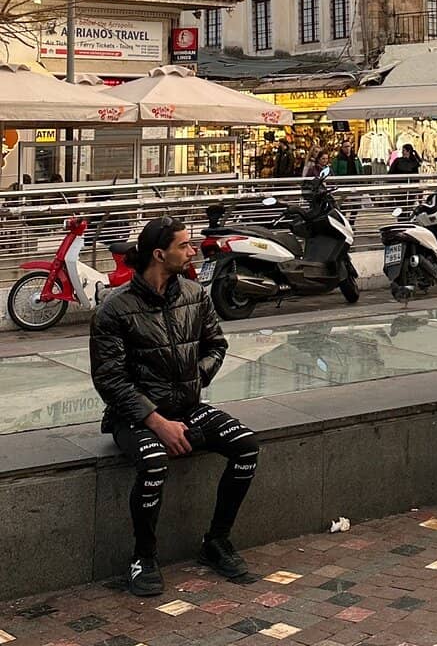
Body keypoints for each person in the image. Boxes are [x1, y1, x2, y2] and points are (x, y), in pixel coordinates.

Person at [90, 218, 259, 596]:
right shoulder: (114, 310)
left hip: (188, 406)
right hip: (133, 417)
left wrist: (194, 379)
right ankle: (143, 557)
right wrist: (157, 421)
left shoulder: (195, 294)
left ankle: (216, 542)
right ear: (158, 253)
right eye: (184, 245)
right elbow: (109, 379)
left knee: (246, 446)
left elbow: (216, 345)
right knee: (153, 463)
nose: (192, 250)